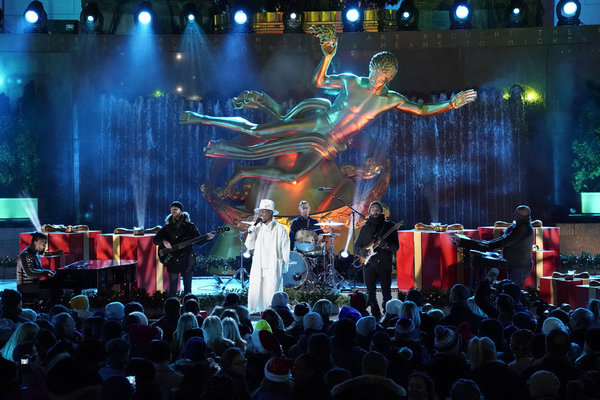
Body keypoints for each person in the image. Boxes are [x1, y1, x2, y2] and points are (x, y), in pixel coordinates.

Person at [180, 26, 477, 189]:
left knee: (295, 177)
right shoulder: (352, 81)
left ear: (390, 78)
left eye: (382, 78)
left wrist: (451, 104)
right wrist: (327, 55)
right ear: (370, 69)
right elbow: (319, 82)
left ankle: (244, 171)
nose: (375, 80)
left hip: (331, 144)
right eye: (374, 73)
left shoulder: (391, 98)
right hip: (319, 124)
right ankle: (200, 117)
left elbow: (422, 111)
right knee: (259, 131)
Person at [459, 205, 534, 288]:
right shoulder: (518, 226)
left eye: (517, 214)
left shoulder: (523, 228)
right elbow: (504, 238)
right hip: (516, 265)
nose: (514, 216)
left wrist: (489, 245)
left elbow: (507, 241)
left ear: (523, 215)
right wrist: (488, 243)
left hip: (519, 266)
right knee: (511, 288)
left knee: (513, 290)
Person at [153, 201, 213, 296]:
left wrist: (207, 238)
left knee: (188, 290)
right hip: (172, 260)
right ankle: (172, 308)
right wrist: (164, 241)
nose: (173, 211)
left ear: (181, 211)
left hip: (187, 260)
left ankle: (188, 308)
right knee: (173, 289)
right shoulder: (167, 227)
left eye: (175, 209)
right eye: (172, 209)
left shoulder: (190, 226)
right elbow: (155, 240)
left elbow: (199, 242)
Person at [354, 201, 400, 320]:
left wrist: (386, 245)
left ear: (381, 211)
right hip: (369, 265)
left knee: (386, 293)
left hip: (384, 264)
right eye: (373, 209)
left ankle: (387, 314)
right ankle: (375, 314)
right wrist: (362, 252)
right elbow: (356, 246)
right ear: (369, 211)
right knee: (370, 292)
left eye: (377, 209)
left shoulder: (390, 226)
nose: (375, 211)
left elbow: (396, 246)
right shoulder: (364, 228)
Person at [245, 199, 290, 314]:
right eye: (260, 211)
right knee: (256, 290)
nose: (260, 214)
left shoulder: (280, 229)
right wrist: (250, 233)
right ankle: (255, 313)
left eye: (263, 211)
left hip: (273, 265)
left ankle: (271, 314)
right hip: (259, 265)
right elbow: (249, 245)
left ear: (270, 212)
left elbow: (285, 249)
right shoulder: (256, 228)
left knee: (271, 290)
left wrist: (284, 267)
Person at [16, 232, 59, 308]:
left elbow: (40, 269)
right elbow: (30, 273)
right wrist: (46, 273)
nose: (45, 246)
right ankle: (48, 311)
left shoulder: (36, 254)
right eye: (44, 243)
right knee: (53, 291)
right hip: (26, 286)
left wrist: (52, 272)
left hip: (35, 283)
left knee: (56, 285)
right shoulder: (26, 255)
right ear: (36, 242)